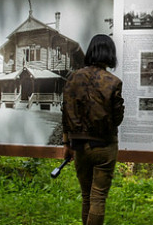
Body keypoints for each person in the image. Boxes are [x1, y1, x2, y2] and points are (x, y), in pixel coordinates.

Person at [62, 34, 124, 225]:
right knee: (98, 198)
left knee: (86, 196)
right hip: (104, 145)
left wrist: (67, 143)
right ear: (110, 54)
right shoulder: (113, 82)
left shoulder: (73, 78)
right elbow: (117, 118)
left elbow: (65, 112)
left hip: (79, 146)